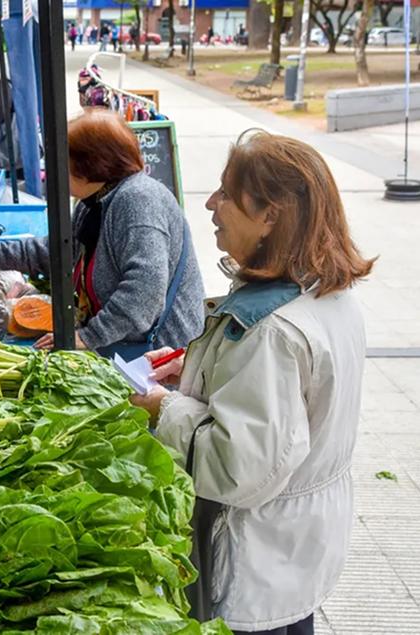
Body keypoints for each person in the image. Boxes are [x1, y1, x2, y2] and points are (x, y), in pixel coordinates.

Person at [131, 131, 375, 635]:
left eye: (225, 193)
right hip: (296, 548)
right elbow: (291, 405)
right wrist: (196, 370)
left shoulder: (274, 331)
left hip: (255, 556)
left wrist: (164, 407)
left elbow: (239, 464)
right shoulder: (323, 292)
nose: (210, 204)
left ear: (270, 215)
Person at [0, 110, 204, 359]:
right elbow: (55, 252)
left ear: (91, 166)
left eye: (64, 162)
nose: (55, 171)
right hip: (123, 346)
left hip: (159, 357)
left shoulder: (139, 202)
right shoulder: (94, 201)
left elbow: (143, 293)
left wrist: (88, 337)